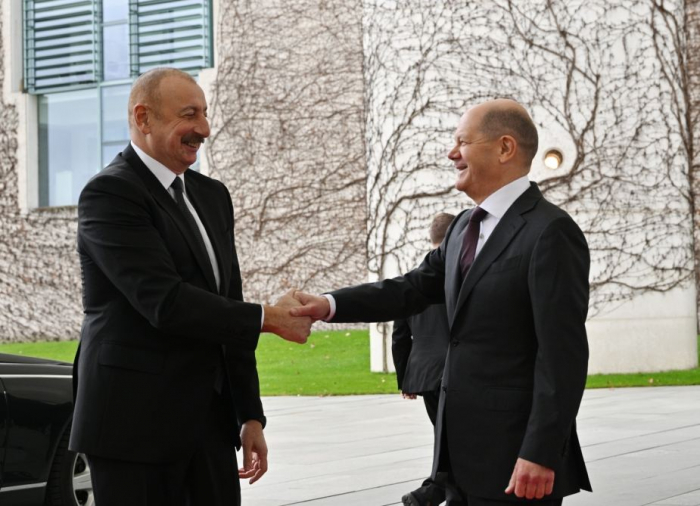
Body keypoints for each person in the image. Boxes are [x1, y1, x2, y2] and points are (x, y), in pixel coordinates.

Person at [292, 99, 592, 505]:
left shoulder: (550, 232)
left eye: (462, 142)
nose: (452, 153)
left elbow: (562, 355)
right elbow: (410, 289)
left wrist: (539, 452)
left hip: (516, 462)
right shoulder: (463, 227)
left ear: (505, 148)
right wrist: (328, 305)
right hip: (459, 457)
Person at [70, 68, 311, 506]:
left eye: (204, 113)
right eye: (189, 114)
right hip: (132, 427)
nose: (203, 128)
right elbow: (164, 301)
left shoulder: (212, 195)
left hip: (209, 425)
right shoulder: (109, 194)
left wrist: (249, 414)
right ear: (144, 119)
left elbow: (225, 303)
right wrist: (269, 319)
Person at [393, 213, 455, 506]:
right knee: (455, 439)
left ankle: (436, 489)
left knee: (445, 436)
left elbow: (400, 334)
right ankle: (436, 490)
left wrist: (405, 377)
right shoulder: (460, 275)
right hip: (456, 372)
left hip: (424, 373)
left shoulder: (414, 279)